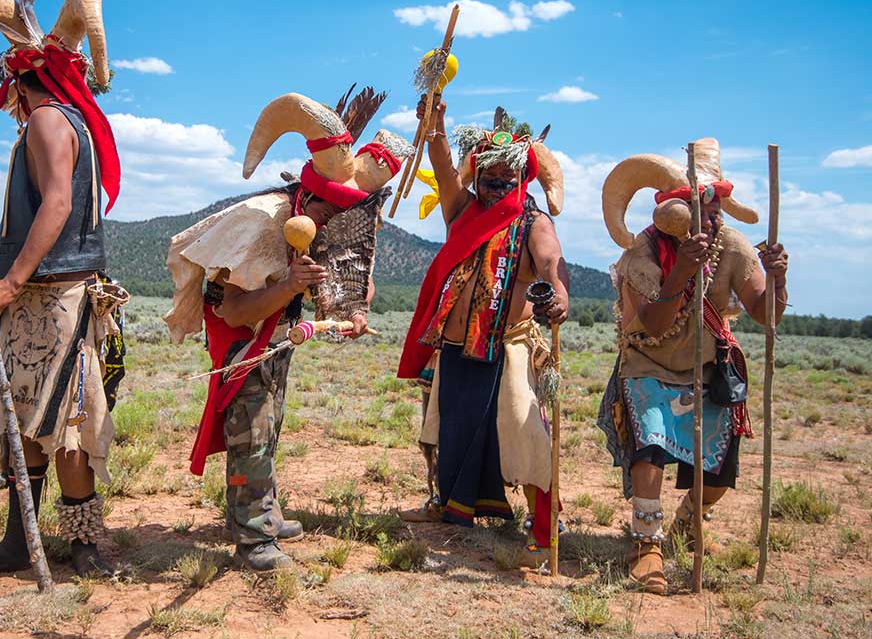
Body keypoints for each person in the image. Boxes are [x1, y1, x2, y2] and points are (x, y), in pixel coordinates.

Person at [165, 89, 411, 571]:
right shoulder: (263, 222)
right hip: (245, 346)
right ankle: (254, 536)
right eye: (327, 213)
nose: (331, 224)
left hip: (277, 344)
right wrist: (289, 286)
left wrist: (352, 313)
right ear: (310, 196)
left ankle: (264, 511)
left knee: (268, 428)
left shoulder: (330, 229)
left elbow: (349, 287)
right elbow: (234, 312)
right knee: (251, 431)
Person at [0, 0, 125, 579]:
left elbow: (59, 206)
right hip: (43, 295)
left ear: (20, 85)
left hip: (54, 300)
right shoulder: (66, 123)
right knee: (27, 422)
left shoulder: (45, 120)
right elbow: (32, 218)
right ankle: (25, 542)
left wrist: (11, 283)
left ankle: (81, 545)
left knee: (64, 428)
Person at [597, 138, 789, 594]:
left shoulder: (731, 245)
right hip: (648, 364)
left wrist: (778, 279)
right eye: (702, 204)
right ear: (673, 211)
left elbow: (767, 313)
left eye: (716, 204)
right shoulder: (641, 256)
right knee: (652, 447)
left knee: (720, 470)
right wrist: (682, 271)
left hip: (706, 367)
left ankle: (686, 523)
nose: (713, 213)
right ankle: (646, 544)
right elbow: (655, 322)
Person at [396, 99, 569, 566]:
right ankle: (445, 503)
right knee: (443, 426)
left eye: (505, 179)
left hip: (507, 344)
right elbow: (442, 168)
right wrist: (434, 125)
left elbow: (551, 260)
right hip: (454, 347)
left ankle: (544, 523)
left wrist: (557, 294)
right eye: (487, 177)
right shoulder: (462, 211)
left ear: (521, 178)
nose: (494, 187)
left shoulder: (533, 222)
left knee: (522, 426)